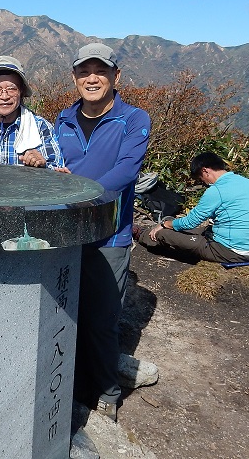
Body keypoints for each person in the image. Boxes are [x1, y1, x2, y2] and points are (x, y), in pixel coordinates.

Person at [54, 42, 151, 422]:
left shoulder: (134, 119)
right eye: (84, 71)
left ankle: (108, 390)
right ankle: (70, 383)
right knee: (65, 311)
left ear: (116, 77)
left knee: (102, 318)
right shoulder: (63, 119)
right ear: (75, 78)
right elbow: (55, 166)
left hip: (110, 235)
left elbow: (127, 171)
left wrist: (82, 195)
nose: (91, 78)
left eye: (100, 71)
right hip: (65, 234)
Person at [139, 151, 249, 265]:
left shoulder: (217, 190)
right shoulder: (247, 182)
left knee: (164, 234)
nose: (203, 182)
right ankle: (149, 232)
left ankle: (140, 234)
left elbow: (190, 222)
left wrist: (164, 224)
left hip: (231, 252)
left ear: (205, 171)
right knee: (199, 230)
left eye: (201, 178)